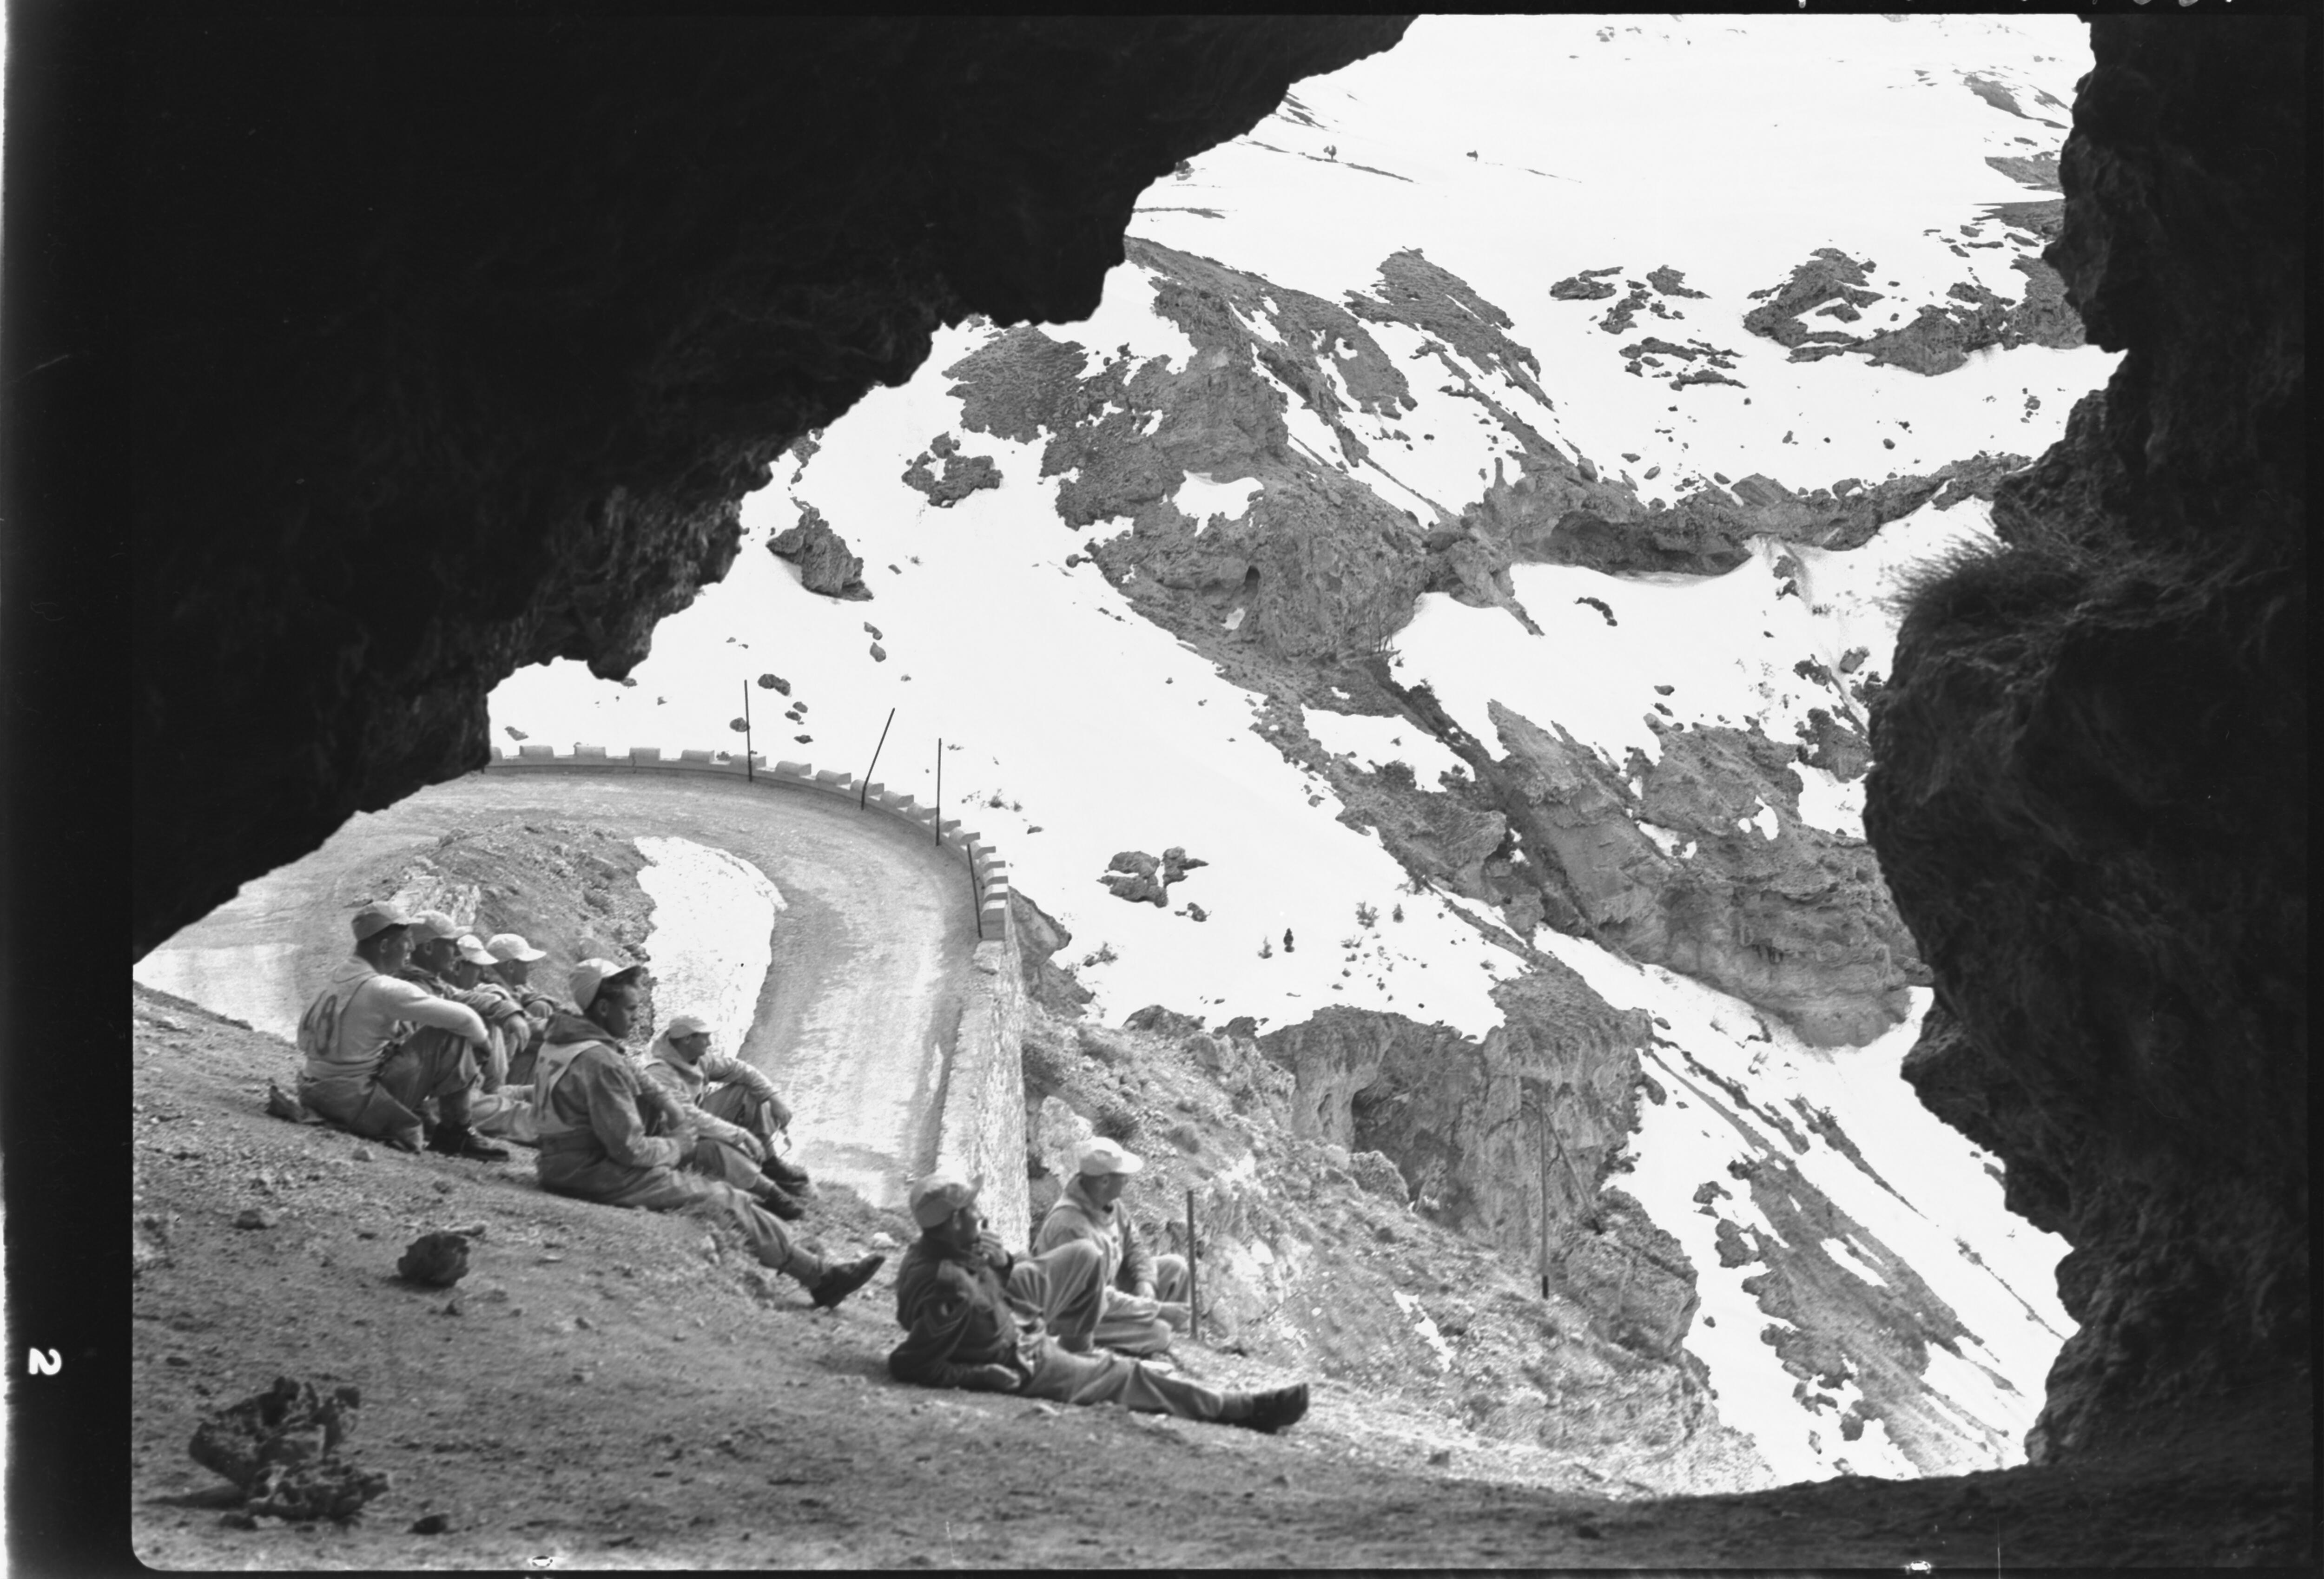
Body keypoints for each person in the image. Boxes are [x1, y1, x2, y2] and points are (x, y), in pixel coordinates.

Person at [531, 957, 882, 1309]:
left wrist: (667, 1105)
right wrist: (676, 1146)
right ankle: (820, 1277)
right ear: (604, 1007)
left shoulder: (570, 1041)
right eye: (631, 1008)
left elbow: (635, 1075)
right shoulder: (600, 1062)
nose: (637, 1016)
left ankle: (778, 1209)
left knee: (713, 1167)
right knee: (720, 1198)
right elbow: (630, 1151)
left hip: (561, 1161)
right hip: (589, 1171)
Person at [889, 1168, 1307, 1432]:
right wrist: (985, 1377)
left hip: (1020, 1333)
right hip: (1022, 1362)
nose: (981, 1215)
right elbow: (912, 1363)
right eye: (972, 1209)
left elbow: (977, 1302)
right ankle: (1236, 1409)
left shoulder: (945, 1252)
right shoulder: (949, 1285)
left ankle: (1080, 1346)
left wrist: (1000, 1265)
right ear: (953, 1220)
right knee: (1124, 1374)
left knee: (1092, 1273)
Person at [294, 901, 506, 1158]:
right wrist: (484, 1046)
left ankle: (436, 1121)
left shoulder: (334, 977)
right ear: (384, 947)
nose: (411, 948)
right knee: (450, 1033)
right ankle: (457, 1132)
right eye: (405, 941)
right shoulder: (382, 988)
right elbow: (467, 1020)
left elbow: (302, 1039)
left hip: (314, 1093)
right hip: (355, 1104)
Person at [1033, 1137, 1192, 1356]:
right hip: (1075, 1313)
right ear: (1105, 1181)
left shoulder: (1111, 1205)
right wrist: (1155, 1309)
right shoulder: (1070, 1226)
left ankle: (1177, 1340)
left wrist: (1145, 1280)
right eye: (1122, 1176)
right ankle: (1159, 1339)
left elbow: (1135, 1246)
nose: (1127, 1181)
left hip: (1111, 1293)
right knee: (1159, 1333)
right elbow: (1097, 1295)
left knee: (1176, 1267)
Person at [642, 1013, 816, 1200]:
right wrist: (741, 1135)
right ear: (687, 1039)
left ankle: (770, 1163)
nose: (710, 1043)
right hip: (672, 1141)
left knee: (748, 1092)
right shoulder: (660, 1073)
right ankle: (761, 1186)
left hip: (695, 1124)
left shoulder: (697, 1058)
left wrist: (773, 1097)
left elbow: (739, 1070)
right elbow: (689, 1118)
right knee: (715, 1147)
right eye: (705, 1037)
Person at [484, 932, 556, 1086]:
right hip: (497, 1069)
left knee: (541, 1006)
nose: (529, 968)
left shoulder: (514, 987)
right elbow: (528, 1025)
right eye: (525, 963)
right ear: (511, 966)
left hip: (508, 1056)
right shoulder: (494, 993)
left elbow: (528, 996)